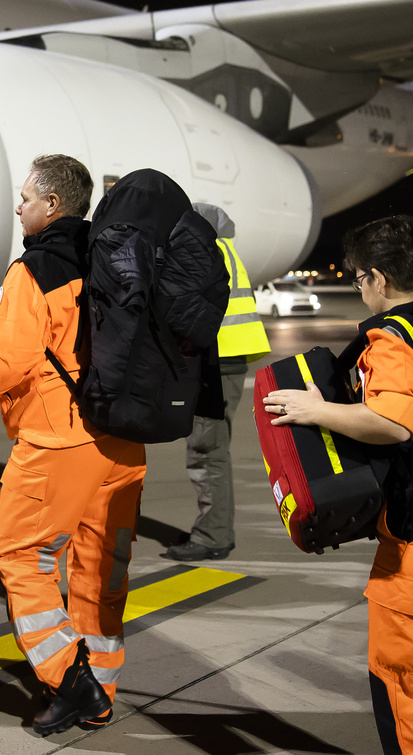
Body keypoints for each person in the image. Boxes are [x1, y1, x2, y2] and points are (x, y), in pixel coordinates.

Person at [263, 215, 413, 755]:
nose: (359, 288)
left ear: (378, 279)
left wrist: (315, 409)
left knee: (408, 682)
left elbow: (397, 422)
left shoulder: (394, 340)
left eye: (357, 279)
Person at [0, 154, 147, 736]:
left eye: (25, 198)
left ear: (52, 205)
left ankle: (67, 679)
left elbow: (5, 360)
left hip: (60, 438)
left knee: (20, 558)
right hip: (123, 440)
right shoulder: (114, 262)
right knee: (101, 567)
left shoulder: (33, 271)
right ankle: (101, 687)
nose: (18, 207)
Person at [168, 203, 270, 561]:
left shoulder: (205, 250)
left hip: (216, 360)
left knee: (207, 450)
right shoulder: (226, 249)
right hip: (230, 357)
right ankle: (215, 531)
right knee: (213, 448)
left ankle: (213, 536)